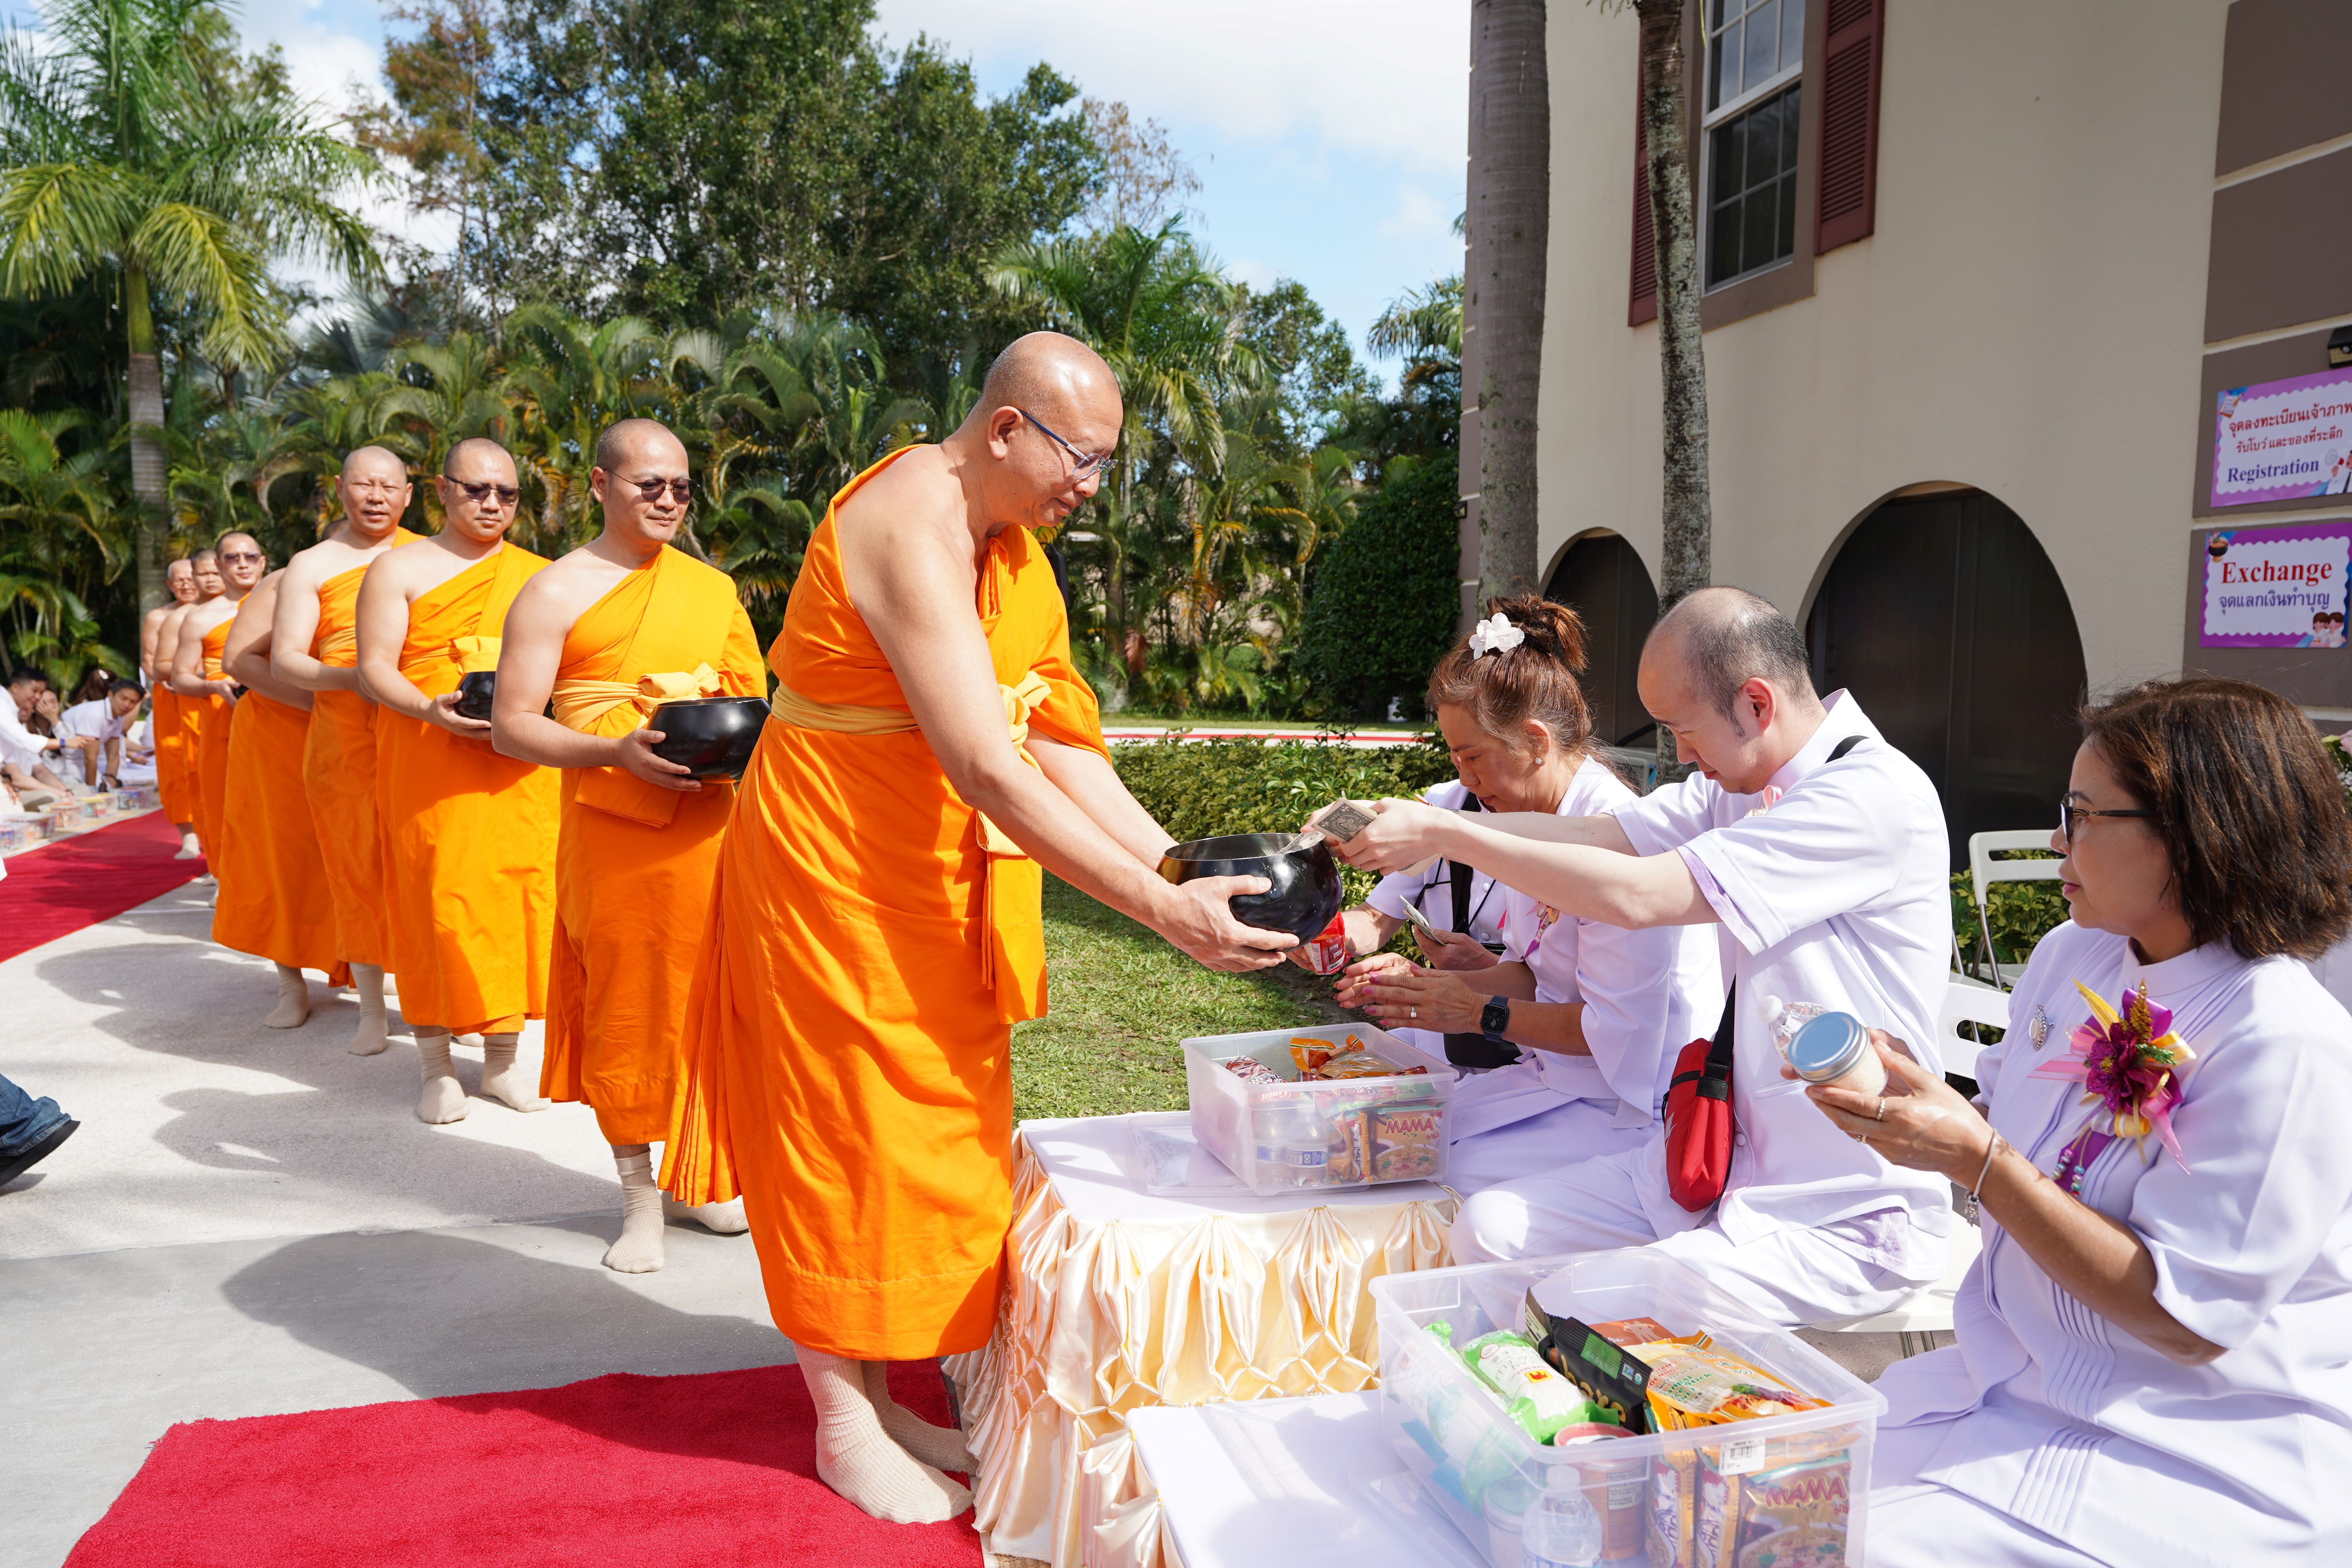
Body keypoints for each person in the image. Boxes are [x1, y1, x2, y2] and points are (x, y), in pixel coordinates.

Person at [657, 333, 1295, 1526]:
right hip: (831, 870)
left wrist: (1178, 862)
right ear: (1002, 429)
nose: (1089, 487)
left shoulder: (1014, 551)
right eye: (1078, 458)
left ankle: (883, 1388)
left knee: (934, 1130)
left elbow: (1053, 732)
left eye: (1107, 463)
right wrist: (1159, 913)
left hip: (930, 880)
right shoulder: (910, 519)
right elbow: (985, 766)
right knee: (840, 1127)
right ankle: (840, 1417)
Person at [1334, 586, 1954, 1328]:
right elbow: (1610, 836)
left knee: (1577, 1305)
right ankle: (1506, 1414)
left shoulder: (1866, 797)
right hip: (1720, 1159)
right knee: (1490, 1228)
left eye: (1682, 730)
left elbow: (1638, 895)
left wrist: (1449, 837)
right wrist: (1441, 823)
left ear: (1756, 705)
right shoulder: (1741, 788)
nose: (1680, 756)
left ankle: (1566, 1431)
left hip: (1840, 1206)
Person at [1842, 678, 2352, 1565]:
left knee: (1848, 1546)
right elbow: (2002, 1127)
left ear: (2196, 832)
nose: (2055, 841)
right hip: (2012, 1375)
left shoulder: (2283, 1037)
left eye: (2081, 814)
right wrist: (1918, 1108)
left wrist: (1980, 1161)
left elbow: (2187, 1319)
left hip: (2182, 1440)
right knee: (1773, 1488)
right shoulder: (2073, 953)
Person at [490, 418, 763, 1271]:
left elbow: (756, 698)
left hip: (713, 829)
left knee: (715, 1005)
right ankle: (640, 1199)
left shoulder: (710, 590)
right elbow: (510, 726)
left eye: (683, 487)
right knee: (631, 1012)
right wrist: (614, 750)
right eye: (652, 485)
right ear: (602, 485)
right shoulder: (554, 591)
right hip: (616, 837)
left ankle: (698, 1176)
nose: (670, 501)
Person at [1331, 599, 1722, 1192]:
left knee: (1420, 1171)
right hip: (1556, 1077)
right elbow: (1538, 975)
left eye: (1473, 758)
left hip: (1632, 1104)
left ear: (1537, 742)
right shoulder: (1532, 815)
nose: (1465, 780)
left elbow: (1612, 1036)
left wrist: (1471, 1009)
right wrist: (1435, 988)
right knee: (1380, 1140)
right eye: (1455, 759)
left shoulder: (1611, 834)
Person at [357, 438, 556, 1123]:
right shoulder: (399, 570)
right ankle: (437, 1065)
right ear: (442, 491)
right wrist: (427, 709)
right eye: (477, 490)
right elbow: (374, 667)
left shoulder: (540, 574)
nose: (493, 504)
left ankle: (501, 1061)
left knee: (513, 902)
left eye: (506, 493)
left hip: (517, 769)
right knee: (434, 906)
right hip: (428, 760)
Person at [273, 448, 421, 1054]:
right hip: (344, 736)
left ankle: (441, 1000)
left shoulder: (431, 555)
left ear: (410, 495)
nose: (378, 496)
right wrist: (351, 678)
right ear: (340, 489)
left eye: (390, 486)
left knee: (426, 862)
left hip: (419, 728)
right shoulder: (313, 564)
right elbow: (285, 658)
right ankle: (371, 1009)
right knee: (356, 868)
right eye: (365, 484)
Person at [214, 565, 353, 1028]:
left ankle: (370, 967)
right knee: (283, 854)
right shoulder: (296, 575)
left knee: (361, 852)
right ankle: (290, 982)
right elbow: (238, 660)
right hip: (280, 727)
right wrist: (321, 703)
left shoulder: (413, 559)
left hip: (355, 731)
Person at [170, 532, 265, 876]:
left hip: (281, 718)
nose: (242, 565)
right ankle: (229, 880)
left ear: (263, 562)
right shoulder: (200, 618)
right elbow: (180, 678)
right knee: (223, 803)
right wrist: (213, 685)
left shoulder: (284, 606)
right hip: (222, 719)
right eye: (232, 558)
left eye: (250, 557)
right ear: (218, 566)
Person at [143, 557, 205, 854]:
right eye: (179, 580)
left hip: (207, 693)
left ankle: (213, 831)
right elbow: (149, 659)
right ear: (170, 585)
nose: (186, 584)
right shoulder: (158, 617)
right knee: (175, 761)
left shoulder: (215, 610)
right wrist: (172, 678)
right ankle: (188, 835)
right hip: (171, 696)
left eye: (191, 578)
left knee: (207, 761)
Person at [2, 667, 96, 806]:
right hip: (16, 789)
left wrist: (65, 791)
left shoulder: (13, 720)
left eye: (41, 693)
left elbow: (39, 770)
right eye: (35, 691)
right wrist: (64, 742)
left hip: (19, 784)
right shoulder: (3, 706)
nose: (38, 697)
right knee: (54, 799)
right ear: (15, 688)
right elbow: (24, 741)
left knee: (77, 793)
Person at [55, 677, 144, 790]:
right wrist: (93, 790)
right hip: (64, 762)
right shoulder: (94, 714)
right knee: (89, 793)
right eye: (123, 698)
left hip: (81, 762)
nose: (127, 705)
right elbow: (90, 758)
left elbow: (113, 755)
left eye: (133, 702)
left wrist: (111, 779)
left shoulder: (118, 718)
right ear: (110, 695)